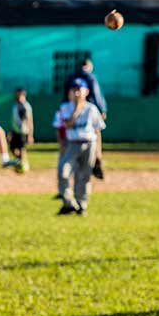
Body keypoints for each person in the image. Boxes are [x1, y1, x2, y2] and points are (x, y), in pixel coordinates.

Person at [55, 79, 106, 215]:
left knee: (84, 176)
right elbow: (68, 125)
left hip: (89, 144)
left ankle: (81, 205)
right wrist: (77, 108)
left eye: (79, 89)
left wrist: (98, 154)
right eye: (74, 89)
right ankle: (69, 202)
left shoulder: (92, 109)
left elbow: (97, 131)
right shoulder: (65, 107)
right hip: (72, 144)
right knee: (63, 171)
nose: (76, 92)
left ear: (87, 91)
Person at [9, 87, 34, 174]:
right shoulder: (15, 105)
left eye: (19, 94)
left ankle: (24, 165)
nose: (18, 96)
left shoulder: (26, 106)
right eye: (17, 94)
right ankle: (19, 162)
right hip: (15, 131)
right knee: (12, 148)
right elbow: (13, 120)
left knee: (22, 149)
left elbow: (30, 121)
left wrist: (30, 135)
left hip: (23, 131)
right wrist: (11, 131)